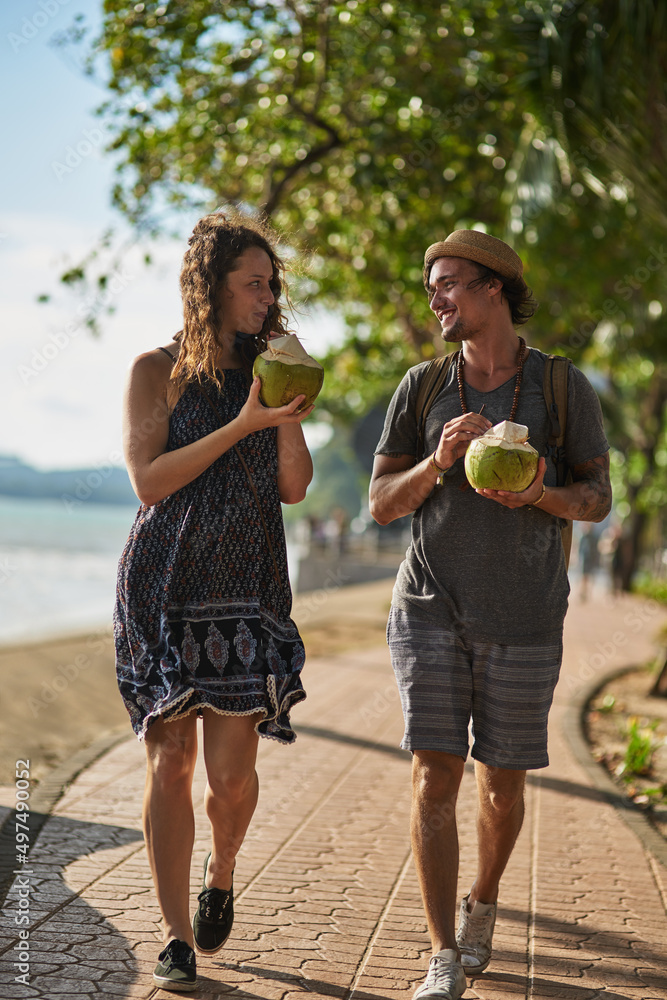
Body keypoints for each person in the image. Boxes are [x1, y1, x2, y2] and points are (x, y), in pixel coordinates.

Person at [369, 229, 611, 1000]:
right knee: (434, 772)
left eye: (445, 283)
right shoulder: (421, 386)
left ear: (493, 289)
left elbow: (597, 500)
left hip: (526, 613)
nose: (434, 298)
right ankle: (442, 953)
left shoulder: (560, 390)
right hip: (428, 605)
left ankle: (485, 898)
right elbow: (379, 505)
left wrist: (539, 490)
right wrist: (437, 460)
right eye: (430, 284)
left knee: (501, 784)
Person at [114, 212, 315, 991]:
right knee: (170, 764)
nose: (268, 298)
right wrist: (242, 425)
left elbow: (293, 488)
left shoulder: (276, 372)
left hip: (247, 592)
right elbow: (150, 481)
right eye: (253, 284)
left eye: (272, 285)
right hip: (162, 589)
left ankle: (221, 870)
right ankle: (173, 940)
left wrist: (281, 416)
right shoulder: (154, 369)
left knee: (229, 779)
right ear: (211, 288)